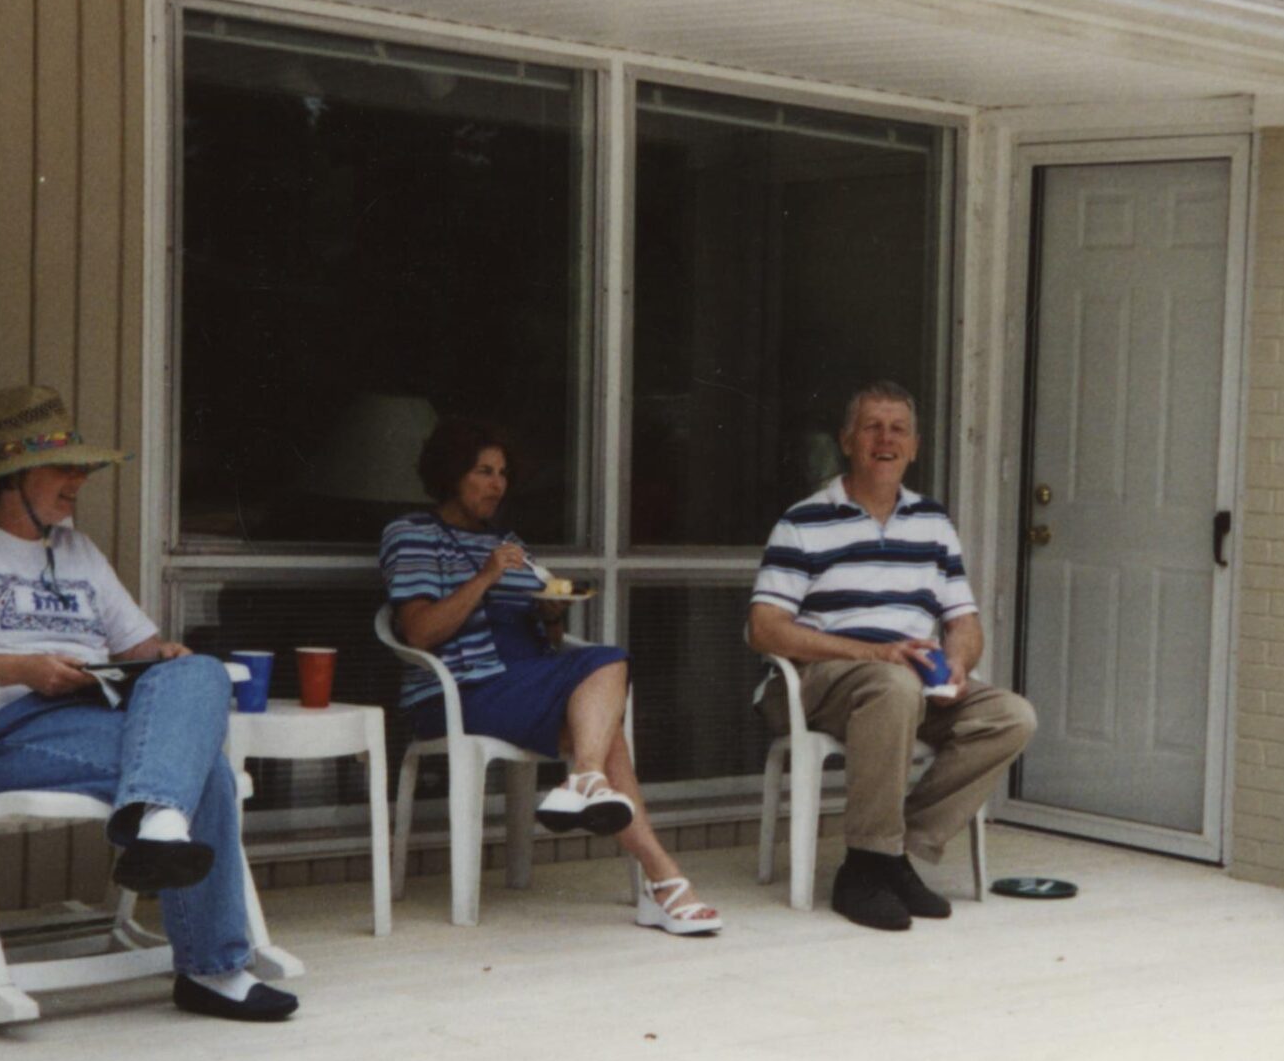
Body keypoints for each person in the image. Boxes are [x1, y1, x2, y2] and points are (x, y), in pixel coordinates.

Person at [0, 386, 296, 1021]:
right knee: (200, 769)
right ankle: (212, 969)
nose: (80, 480)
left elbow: (143, 647)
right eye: (63, 468)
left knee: (199, 669)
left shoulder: (79, 552)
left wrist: (166, 661)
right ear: (12, 477)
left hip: (105, 717)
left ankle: (158, 824)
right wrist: (23, 669)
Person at [381, 417, 718, 935]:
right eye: (484, 471)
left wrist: (550, 616)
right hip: (460, 690)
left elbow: (552, 644)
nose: (498, 484)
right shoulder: (412, 535)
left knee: (604, 721)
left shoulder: (509, 540)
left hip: (524, 683)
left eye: (503, 473)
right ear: (451, 474)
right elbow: (421, 632)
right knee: (609, 670)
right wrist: (488, 576)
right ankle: (658, 876)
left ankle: (640, 850)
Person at [747, 382, 1036, 932]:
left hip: (907, 679)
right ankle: (864, 869)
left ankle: (892, 854)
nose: (886, 440)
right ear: (847, 442)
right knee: (892, 684)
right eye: (872, 428)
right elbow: (764, 629)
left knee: (1010, 716)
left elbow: (964, 622)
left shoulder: (932, 523)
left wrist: (957, 662)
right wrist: (873, 651)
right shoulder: (804, 521)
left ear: (915, 446)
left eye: (898, 429)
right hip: (815, 683)